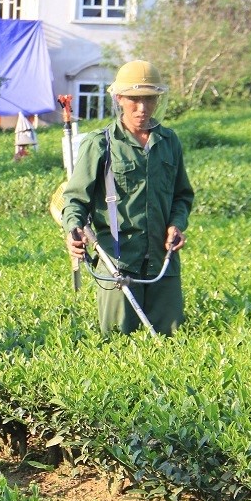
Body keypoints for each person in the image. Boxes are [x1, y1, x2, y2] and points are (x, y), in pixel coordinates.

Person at [62, 60, 194, 336]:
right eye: (134, 99)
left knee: (170, 341)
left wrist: (177, 224)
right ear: (119, 98)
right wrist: (73, 230)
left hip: (163, 261)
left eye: (149, 99)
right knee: (118, 345)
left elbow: (182, 195)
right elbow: (75, 200)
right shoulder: (100, 143)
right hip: (118, 261)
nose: (142, 109)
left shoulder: (169, 141)